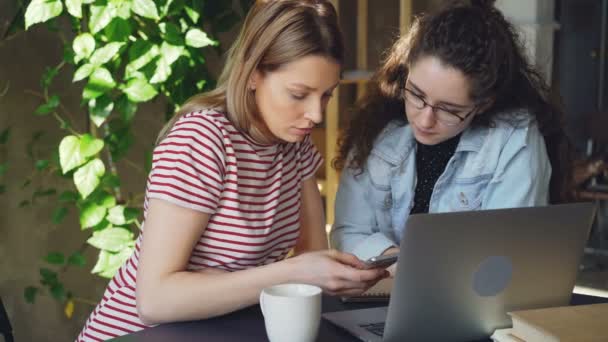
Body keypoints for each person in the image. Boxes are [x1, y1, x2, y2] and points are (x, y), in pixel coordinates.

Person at [77, 1, 388, 340]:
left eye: (326, 95)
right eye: (299, 94)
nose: (315, 114)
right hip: (140, 333)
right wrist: (290, 272)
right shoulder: (200, 140)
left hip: (222, 332)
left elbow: (310, 261)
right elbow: (154, 300)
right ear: (254, 73)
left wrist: (342, 275)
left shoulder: (294, 145)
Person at [330, 0, 573, 264]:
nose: (424, 120)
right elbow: (348, 232)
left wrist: (419, 271)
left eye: (449, 109)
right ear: (407, 72)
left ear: (483, 104)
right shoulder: (379, 123)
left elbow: (503, 253)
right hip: (383, 292)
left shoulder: (514, 139)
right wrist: (399, 264)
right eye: (417, 95)